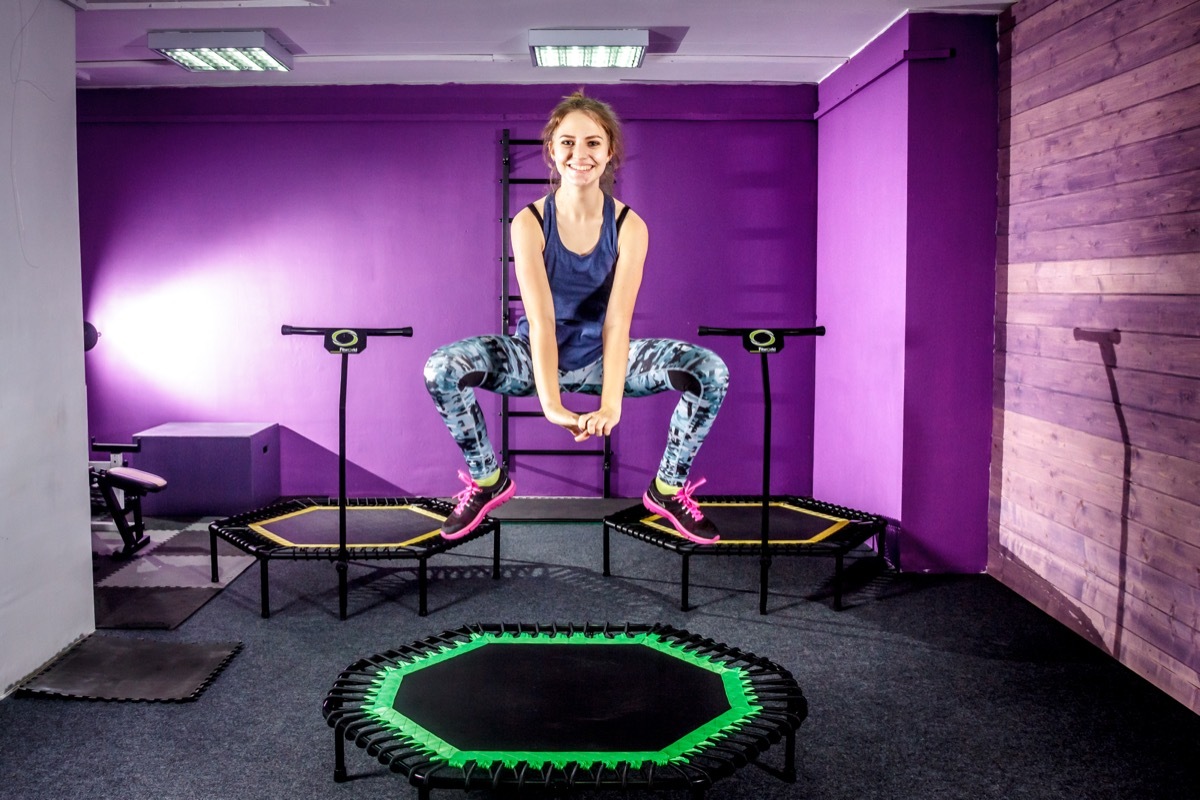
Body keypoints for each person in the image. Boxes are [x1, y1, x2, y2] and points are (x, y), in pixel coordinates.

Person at [423, 90, 729, 544]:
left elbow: (617, 323)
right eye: (567, 142)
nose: (579, 154)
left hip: (606, 357)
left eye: (592, 143)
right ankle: (488, 478)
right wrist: (552, 405)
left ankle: (666, 488)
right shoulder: (528, 221)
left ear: (609, 154)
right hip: (533, 355)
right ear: (551, 150)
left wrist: (610, 404)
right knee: (441, 368)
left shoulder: (630, 226)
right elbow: (542, 320)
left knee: (710, 371)